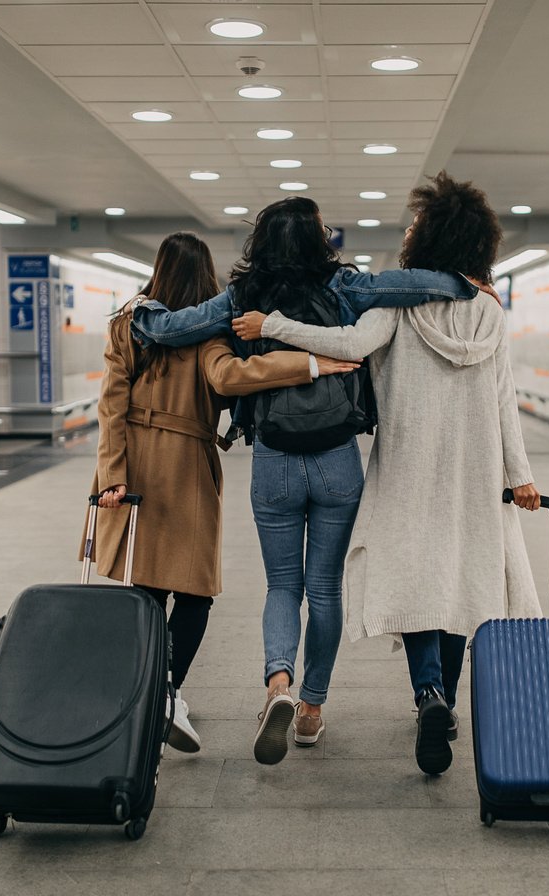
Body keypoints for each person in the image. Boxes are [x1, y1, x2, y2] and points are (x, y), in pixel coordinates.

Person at [128, 198, 483, 766]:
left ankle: (278, 685)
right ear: (319, 239)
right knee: (325, 589)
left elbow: (176, 328)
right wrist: (463, 284)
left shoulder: (245, 296)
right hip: (337, 457)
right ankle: (313, 709)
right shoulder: (344, 285)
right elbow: (411, 285)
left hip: (273, 457)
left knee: (282, 586)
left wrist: (141, 312)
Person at [231, 173, 543, 775]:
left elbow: (345, 346)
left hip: (408, 463)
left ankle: (424, 692)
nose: (407, 231)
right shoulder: (491, 313)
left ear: (431, 238)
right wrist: (520, 474)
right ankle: (443, 701)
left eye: (415, 225)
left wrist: (272, 325)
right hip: (474, 471)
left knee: (415, 579)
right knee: (460, 580)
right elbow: (505, 399)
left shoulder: (396, 307)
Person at [88, 231, 359, 754]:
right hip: (187, 466)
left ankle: (147, 692)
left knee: (145, 588)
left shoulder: (128, 325)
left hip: (136, 466)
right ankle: (166, 691)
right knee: (195, 595)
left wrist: (112, 476)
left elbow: (110, 405)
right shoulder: (208, 335)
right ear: (205, 279)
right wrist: (310, 362)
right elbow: (233, 376)